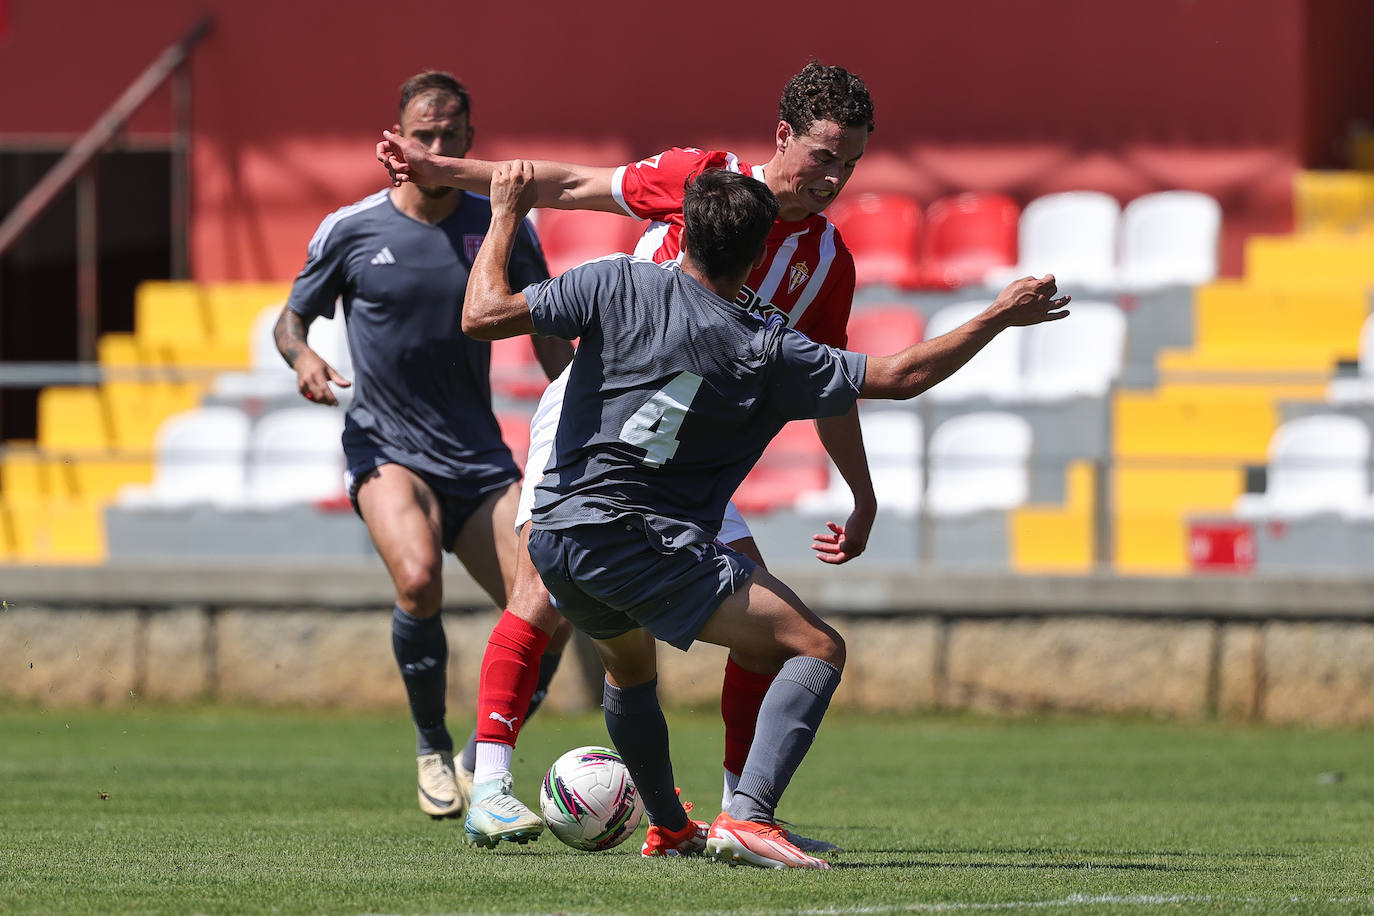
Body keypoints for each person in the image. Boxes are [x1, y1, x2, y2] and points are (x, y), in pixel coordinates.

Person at [465, 162, 1068, 869]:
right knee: (817, 648)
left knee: (629, 672)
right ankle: (747, 815)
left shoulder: (611, 279)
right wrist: (998, 315)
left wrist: (506, 213)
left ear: (680, 230)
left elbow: (480, 316)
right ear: (757, 259)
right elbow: (901, 375)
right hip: (642, 539)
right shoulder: (765, 346)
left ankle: (670, 827)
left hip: (559, 533)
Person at [380, 61, 883, 851]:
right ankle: (493, 790)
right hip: (593, 422)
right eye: (825, 155)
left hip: (688, 460)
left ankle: (736, 814)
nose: (835, 177)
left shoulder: (827, 263)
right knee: (541, 591)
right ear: (783, 135)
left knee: (763, 620)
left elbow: (832, 386)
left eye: (850, 163)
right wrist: (450, 171)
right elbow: (572, 184)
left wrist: (862, 495)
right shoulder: (698, 179)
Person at [274, 70, 573, 822]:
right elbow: (291, 320)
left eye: (451, 136)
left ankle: (481, 755)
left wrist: (589, 404)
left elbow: (548, 340)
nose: (438, 147)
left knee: (555, 604)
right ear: (400, 140)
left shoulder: (501, 225)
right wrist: (304, 357)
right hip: (387, 447)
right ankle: (431, 747)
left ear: (471, 143)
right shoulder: (351, 228)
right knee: (416, 580)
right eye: (425, 135)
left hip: (478, 456)